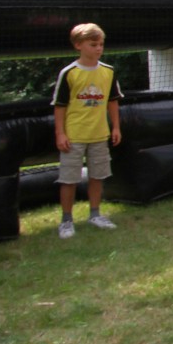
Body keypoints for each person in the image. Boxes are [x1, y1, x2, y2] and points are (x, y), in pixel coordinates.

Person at [52, 23, 123, 240]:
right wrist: (60, 134)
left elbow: (112, 101)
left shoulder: (108, 72)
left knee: (97, 176)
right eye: (93, 44)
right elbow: (59, 106)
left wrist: (115, 127)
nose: (98, 48)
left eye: (101, 44)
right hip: (74, 135)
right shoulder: (69, 73)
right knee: (69, 178)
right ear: (78, 45)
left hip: (99, 134)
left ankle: (95, 214)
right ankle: (66, 220)